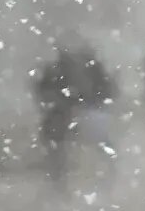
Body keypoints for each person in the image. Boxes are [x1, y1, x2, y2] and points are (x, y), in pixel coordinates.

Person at [36, 39, 117, 187]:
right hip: (75, 113)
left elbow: (44, 91)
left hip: (70, 114)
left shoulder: (63, 73)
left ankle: (63, 180)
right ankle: (101, 174)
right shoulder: (74, 73)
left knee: (60, 151)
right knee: (65, 150)